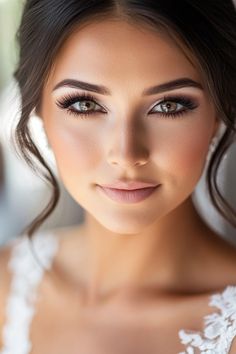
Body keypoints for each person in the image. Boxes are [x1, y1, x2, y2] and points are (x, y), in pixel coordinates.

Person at [0, 0, 236, 353]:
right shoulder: (6, 286)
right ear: (39, 110)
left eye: (169, 105)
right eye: (84, 104)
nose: (126, 155)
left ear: (219, 111)